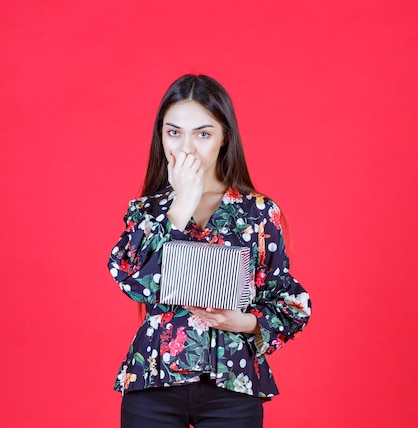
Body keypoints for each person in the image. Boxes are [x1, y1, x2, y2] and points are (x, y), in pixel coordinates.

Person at [108, 74, 310, 428]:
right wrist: (180, 207)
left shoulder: (258, 214)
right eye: (174, 132)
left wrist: (245, 322)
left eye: (203, 133)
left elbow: (291, 305)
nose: (186, 148)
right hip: (153, 381)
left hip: (231, 388)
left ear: (223, 138)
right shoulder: (146, 212)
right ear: (161, 137)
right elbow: (132, 282)